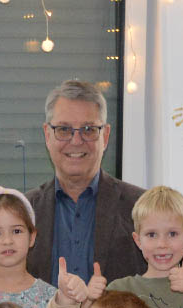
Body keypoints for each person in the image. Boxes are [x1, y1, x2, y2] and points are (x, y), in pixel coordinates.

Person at [25, 79, 146, 285]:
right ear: (47, 135)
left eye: (89, 129)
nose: (76, 140)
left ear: (105, 136)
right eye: (64, 129)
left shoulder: (141, 207)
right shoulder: (23, 212)